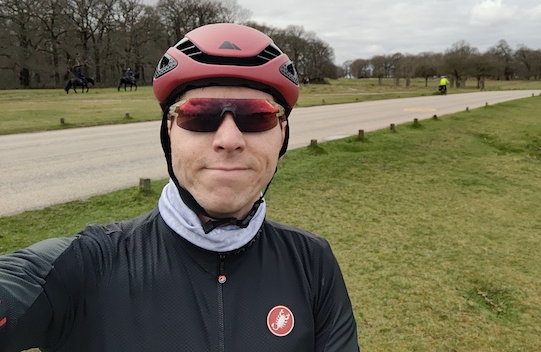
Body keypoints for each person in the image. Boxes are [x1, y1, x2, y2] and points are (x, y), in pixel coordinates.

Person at [0, 23, 360, 351]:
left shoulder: (313, 262)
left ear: (282, 135)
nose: (229, 139)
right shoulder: (85, 265)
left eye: (257, 116)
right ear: (169, 132)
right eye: (199, 114)